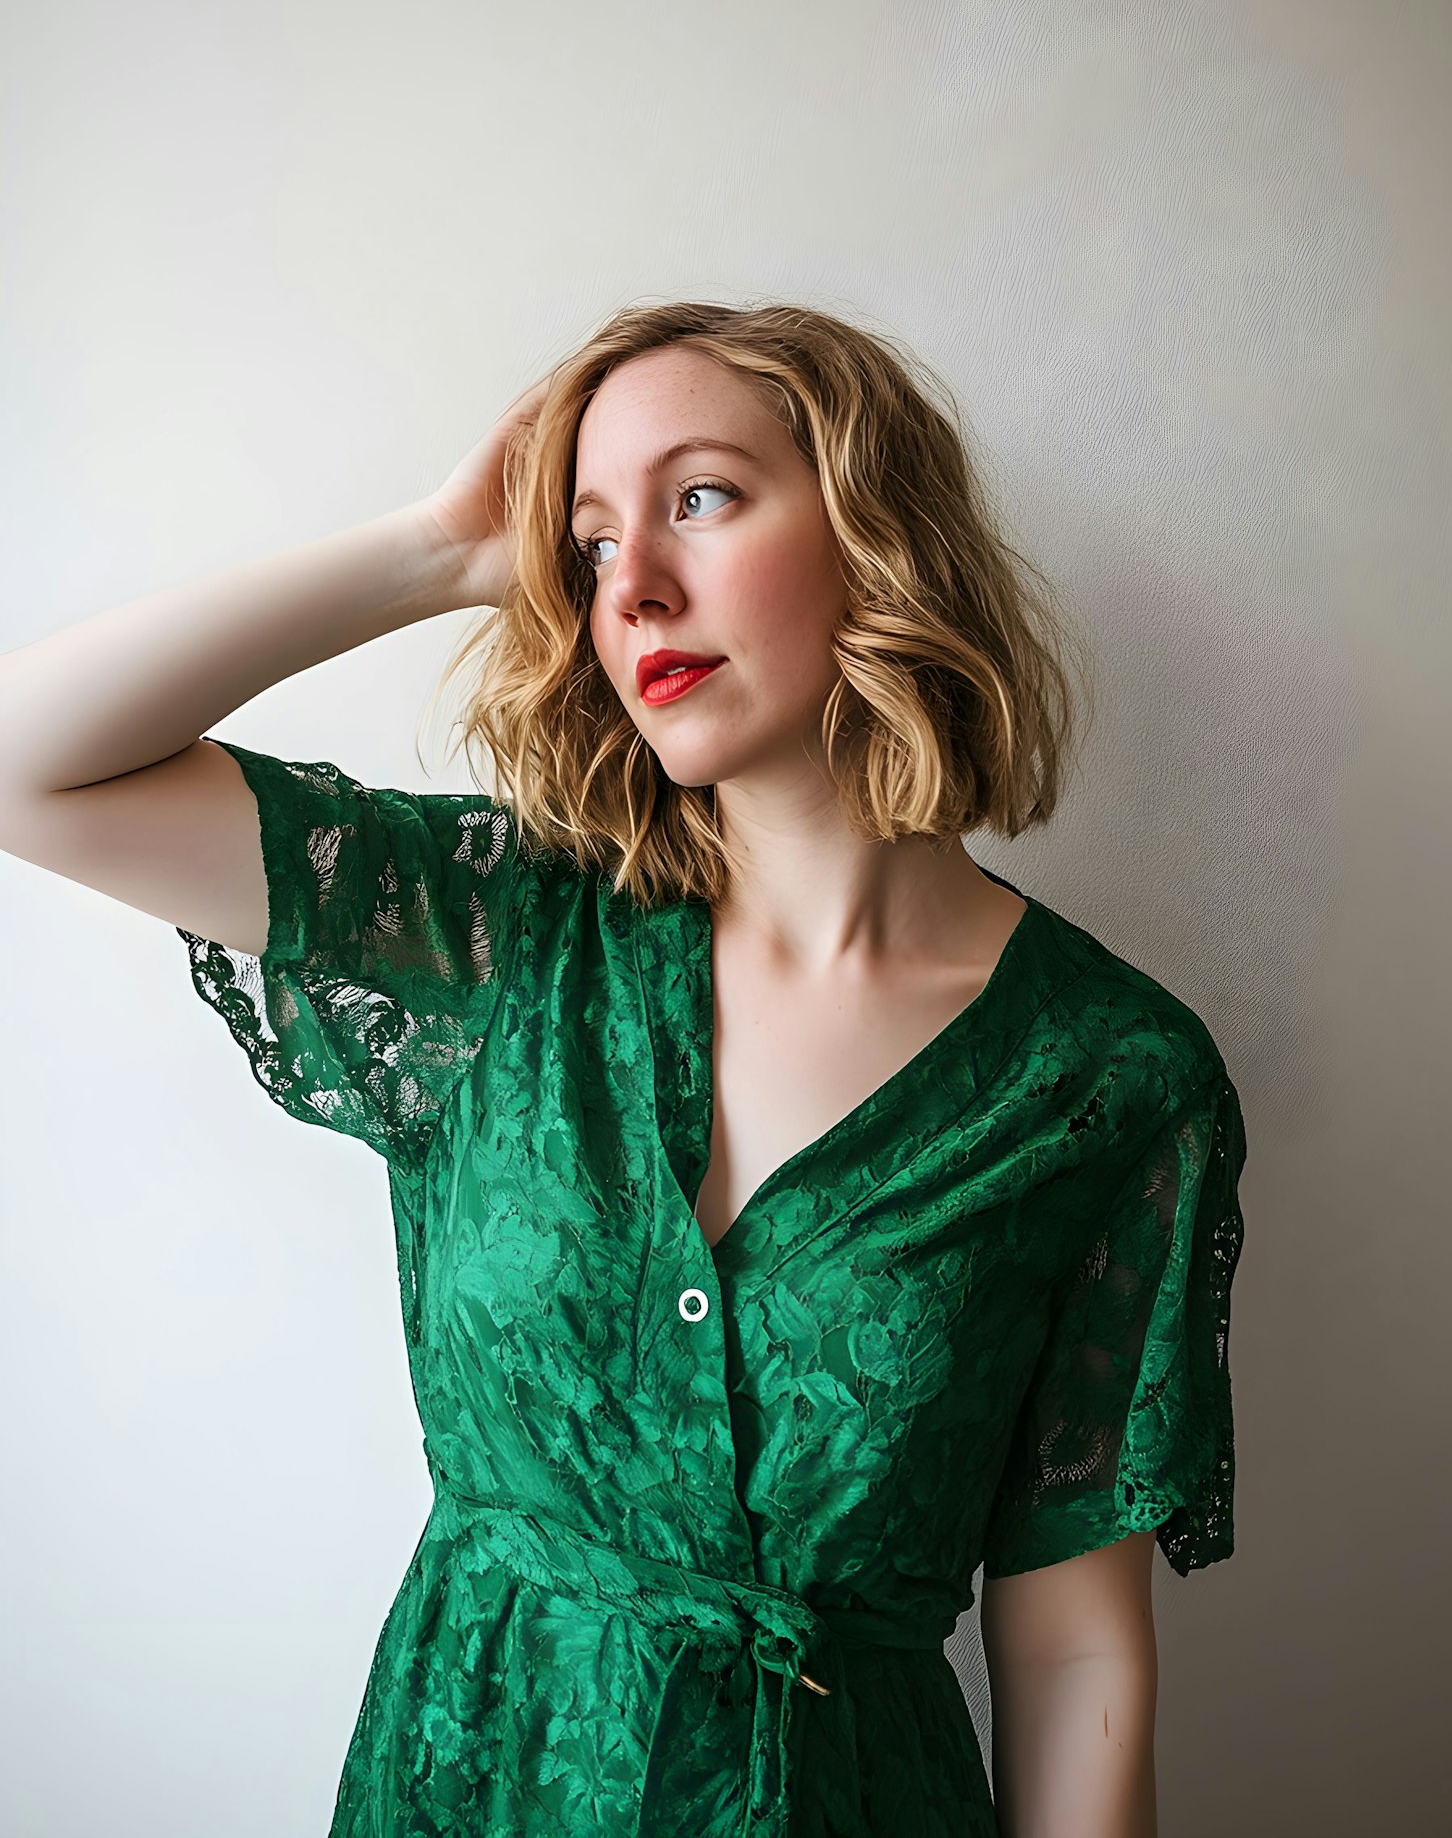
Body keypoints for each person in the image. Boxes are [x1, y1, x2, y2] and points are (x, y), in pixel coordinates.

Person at [0, 298, 1248, 1837]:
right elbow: (23, 762)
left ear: (878, 532)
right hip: (469, 1786)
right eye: (591, 544)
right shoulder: (491, 936)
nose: (636, 589)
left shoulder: (1104, 1078)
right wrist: (438, 550)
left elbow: (1070, 1651)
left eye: (702, 499)